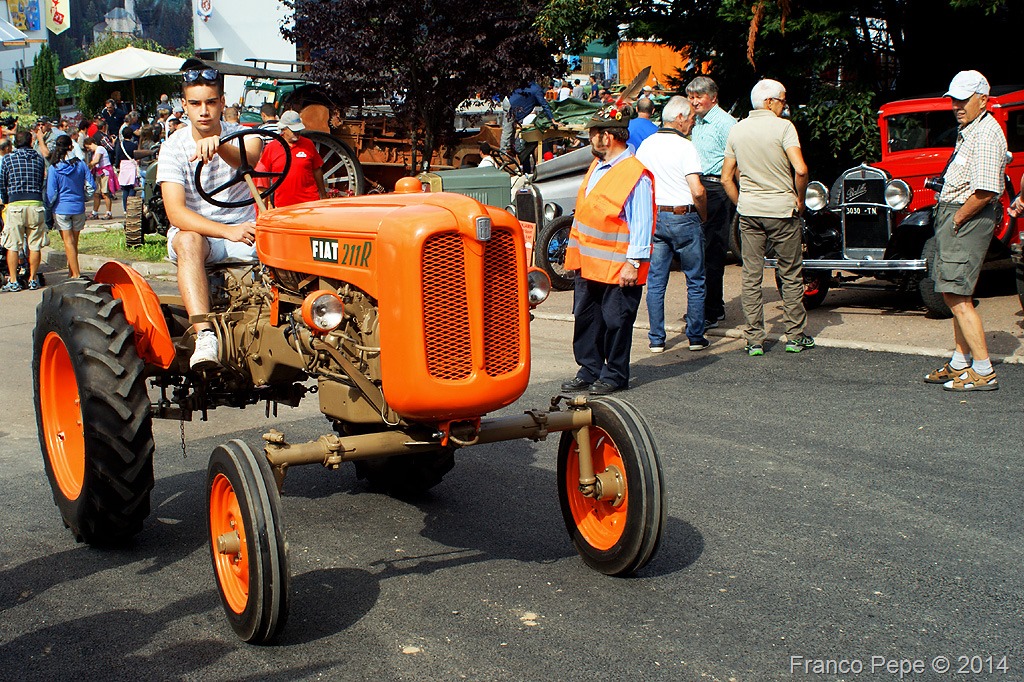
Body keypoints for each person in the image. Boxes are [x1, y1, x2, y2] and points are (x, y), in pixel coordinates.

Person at [157, 64, 264, 370]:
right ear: (184, 105)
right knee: (188, 240)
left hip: (245, 233)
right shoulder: (173, 148)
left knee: (289, 235)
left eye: (211, 102)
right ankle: (205, 335)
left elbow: (250, 158)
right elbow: (176, 213)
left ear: (222, 102)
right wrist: (225, 231)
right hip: (202, 236)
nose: (203, 111)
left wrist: (220, 147)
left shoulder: (244, 135)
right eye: (195, 104)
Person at [560, 104, 655, 395]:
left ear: (606, 137)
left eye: (592, 134)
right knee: (587, 318)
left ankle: (614, 374)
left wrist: (634, 263)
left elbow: (643, 221)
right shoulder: (598, 166)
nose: (589, 140)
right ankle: (589, 369)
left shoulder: (634, 174)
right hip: (590, 263)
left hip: (618, 265)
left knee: (616, 321)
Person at [923, 70, 1007, 392]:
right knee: (955, 291)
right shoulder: (971, 129)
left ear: (983, 100)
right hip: (959, 215)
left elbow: (985, 191)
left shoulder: (985, 134)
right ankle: (961, 363)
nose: (957, 105)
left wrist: (956, 219)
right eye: (954, 99)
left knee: (956, 293)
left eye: (963, 99)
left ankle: (983, 370)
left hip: (967, 216)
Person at [721, 79, 812, 356]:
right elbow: (801, 168)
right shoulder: (784, 127)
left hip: (750, 211)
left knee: (751, 275)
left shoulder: (737, 130)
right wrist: (799, 199)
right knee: (791, 273)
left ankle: (754, 340)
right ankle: (795, 336)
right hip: (782, 210)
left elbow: (726, 178)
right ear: (769, 102)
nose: (785, 105)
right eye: (783, 100)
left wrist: (742, 203)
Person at [636, 96, 709, 353]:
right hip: (683, 215)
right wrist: (703, 215)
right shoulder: (685, 147)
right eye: (690, 118)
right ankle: (696, 336)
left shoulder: (646, 146)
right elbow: (697, 190)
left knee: (656, 281)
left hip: (656, 216)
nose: (692, 124)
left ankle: (656, 338)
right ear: (679, 119)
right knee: (696, 279)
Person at [687, 76, 737, 329]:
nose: (694, 101)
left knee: (713, 250)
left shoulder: (726, 123)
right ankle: (705, 306)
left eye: (699, 96)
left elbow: (738, 156)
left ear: (713, 97)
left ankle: (712, 310)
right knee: (698, 249)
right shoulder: (696, 122)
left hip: (717, 187)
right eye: (691, 97)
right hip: (699, 186)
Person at [0, 130, 47, 291]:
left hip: (15, 205)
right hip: (35, 203)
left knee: (12, 245)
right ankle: (33, 279)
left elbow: (2, 183)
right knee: (35, 245)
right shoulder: (39, 159)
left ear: (14, 143)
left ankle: (13, 281)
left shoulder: (8, 159)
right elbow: (41, 181)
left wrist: (6, 200)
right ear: (31, 141)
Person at [254, 109, 326, 207]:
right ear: (283, 129)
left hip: (309, 202)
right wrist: (264, 206)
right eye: (293, 130)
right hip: (283, 204)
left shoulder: (308, 144)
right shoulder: (271, 148)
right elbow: (263, 176)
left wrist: (323, 195)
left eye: (298, 129)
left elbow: (317, 170)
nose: (297, 133)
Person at [46, 135, 94, 278]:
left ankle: (76, 274)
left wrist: (50, 206)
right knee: (74, 242)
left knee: (68, 242)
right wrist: (83, 198)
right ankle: (71, 271)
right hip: (78, 207)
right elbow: (91, 186)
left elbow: (52, 193)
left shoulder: (54, 168)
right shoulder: (81, 165)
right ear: (71, 147)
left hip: (61, 208)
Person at [500, 82, 557, 154]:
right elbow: (544, 105)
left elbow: (537, 102)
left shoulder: (533, 86)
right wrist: (553, 120)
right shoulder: (537, 90)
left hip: (510, 102)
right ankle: (503, 152)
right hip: (511, 104)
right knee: (508, 130)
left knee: (512, 130)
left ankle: (509, 149)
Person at [84, 134, 116, 220]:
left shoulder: (100, 149)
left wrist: (87, 166)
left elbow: (96, 160)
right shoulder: (95, 151)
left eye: (88, 147)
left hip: (105, 173)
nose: (88, 149)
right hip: (98, 173)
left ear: (91, 143)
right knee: (96, 194)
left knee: (105, 193)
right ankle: (95, 212)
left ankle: (108, 212)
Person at [113, 119, 140, 213]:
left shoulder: (119, 145)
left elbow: (117, 156)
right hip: (131, 165)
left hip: (123, 166)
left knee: (125, 189)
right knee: (132, 186)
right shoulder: (134, 145)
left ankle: (125, 209)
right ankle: (131, 205)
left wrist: (116, 166)